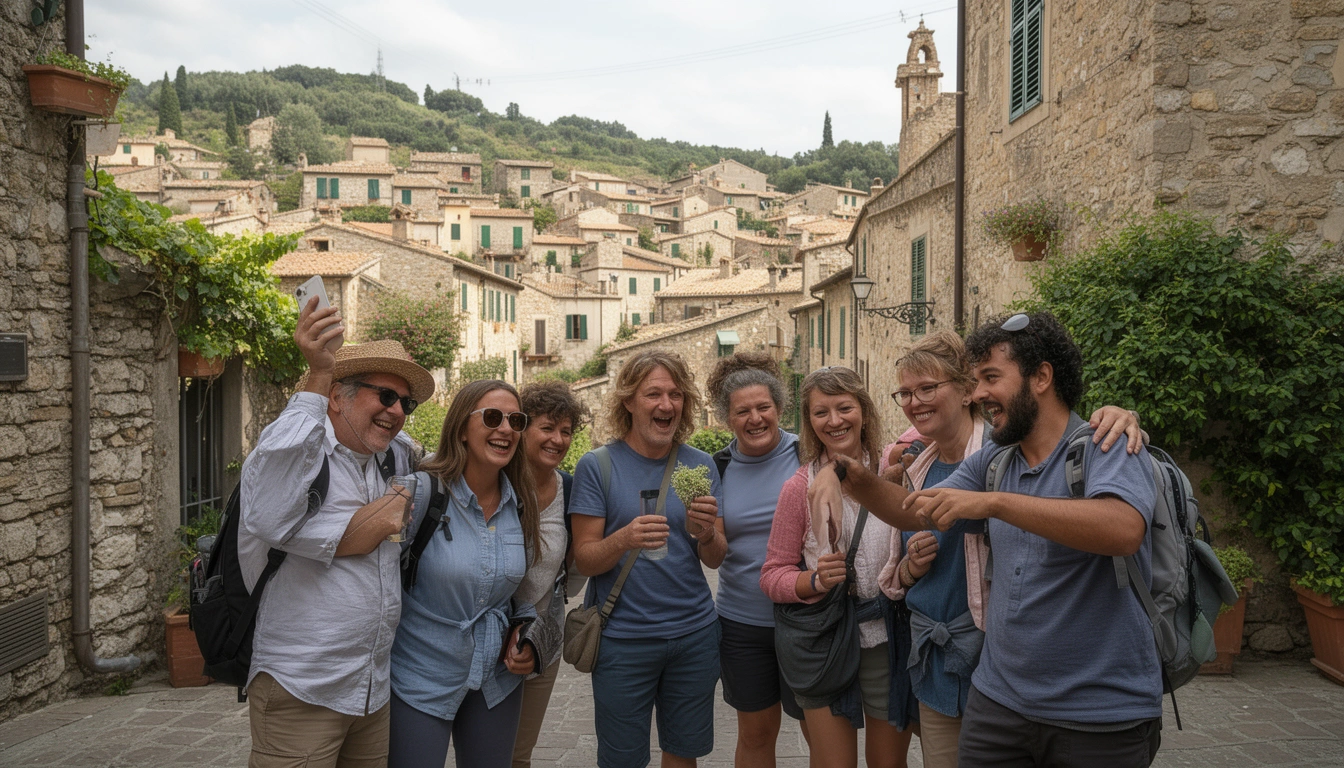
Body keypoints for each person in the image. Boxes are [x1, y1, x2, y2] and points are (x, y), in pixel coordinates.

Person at [833, 312, 1162, 767]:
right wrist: (849, 475)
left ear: (1042, 376)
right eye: (975, 380)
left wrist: (995, 503)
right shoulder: (996, 459)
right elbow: (915, 510)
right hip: (1000, 703)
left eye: (991, 377)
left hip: (1100, 712)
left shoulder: (1108, 444)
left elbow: (1123, 530)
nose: (980, 393)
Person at [239, 296, 434, 768]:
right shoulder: (297, 452)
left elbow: (437, 454)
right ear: (336, 397)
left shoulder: (391, 456)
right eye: (384, 396)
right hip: (302, 687)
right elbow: (269, 517)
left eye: (404, 402)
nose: (396, 410)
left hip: (370, 690)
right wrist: (318, 372)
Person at [569, 349, 727, 768]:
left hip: (694, 635)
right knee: (622, 759)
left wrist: (707, 533)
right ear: (628, 401)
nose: (666, 404)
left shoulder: (700, 465)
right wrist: (622, 539)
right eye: (653, 393)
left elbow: (715, 559)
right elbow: (584, 560)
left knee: (683, 752)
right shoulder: (597, 466)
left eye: (675, 395)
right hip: (622, 640)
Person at [760, 367, 912, 768]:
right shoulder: (799, 487)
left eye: (844, 407)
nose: (834, 421)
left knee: (888, 763)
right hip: (824, 643)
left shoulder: (894, 468)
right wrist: (811, 580)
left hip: (885, 639)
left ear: (863, 409)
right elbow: (772, 574)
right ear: (809, 422)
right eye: (820, 413)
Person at [387, 379, 541, 768]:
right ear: (460, 428)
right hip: (421, 676)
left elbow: (515, 593)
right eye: (492, 417)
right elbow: (374, 577)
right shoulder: (418, 493)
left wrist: (525, 630)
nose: (505, 429)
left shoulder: (520, 504)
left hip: (496, 681)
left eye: (516, 420)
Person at [704, 353, 811, 768]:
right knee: (755, 734)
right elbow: (714, 558)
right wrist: (704, 534)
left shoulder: (808, 454)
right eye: (742, 411)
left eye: (763, 407)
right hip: (742, 624)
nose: (755, 418)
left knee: (818, 731)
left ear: (780, 409)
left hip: (808, 620)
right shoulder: (718, 468)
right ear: (727, 419)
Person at [511, 381, 591, 768]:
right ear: (522, 427)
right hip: (485, 635)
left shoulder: (571, 490)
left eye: (566, 431)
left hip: (542, 638)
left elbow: (572, 572)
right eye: (547, 428)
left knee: (519, 754)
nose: (557, 439)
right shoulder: (495, 483)